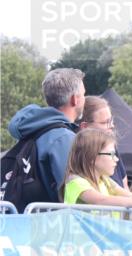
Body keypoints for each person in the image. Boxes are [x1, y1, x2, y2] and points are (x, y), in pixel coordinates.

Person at [7, 68, 85, 204]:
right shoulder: (63, 138)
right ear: (75, 99)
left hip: (23, 217)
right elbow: (71, 191)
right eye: (84, 94)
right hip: (51, 222)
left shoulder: (32, 127)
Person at [61, 129, 132, 213]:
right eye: (111, 154)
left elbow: (131, 196)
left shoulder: (105, 180)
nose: (116, 159)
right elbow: (102, 201)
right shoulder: (76, 181)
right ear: (91, 157)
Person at [79, 95, 127, 187]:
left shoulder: (112, 149)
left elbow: (125, 188)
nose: (112, 126)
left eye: (111, 121)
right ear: (85, 127)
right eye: (105, 122)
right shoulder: (78, 159)